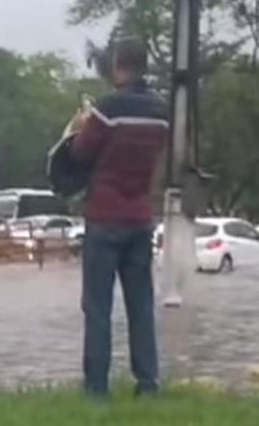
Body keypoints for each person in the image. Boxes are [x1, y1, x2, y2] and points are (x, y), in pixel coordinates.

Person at [68, 37, 169, 397]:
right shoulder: (161, 111)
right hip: (140, 217)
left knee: (97, 306)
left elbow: (80, 155)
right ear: (146, 65)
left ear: (117, 65)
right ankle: (148, 383)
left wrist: (81, 125)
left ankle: (97, 388)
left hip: (104, 216)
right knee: (140, 304)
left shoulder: (107, 108)